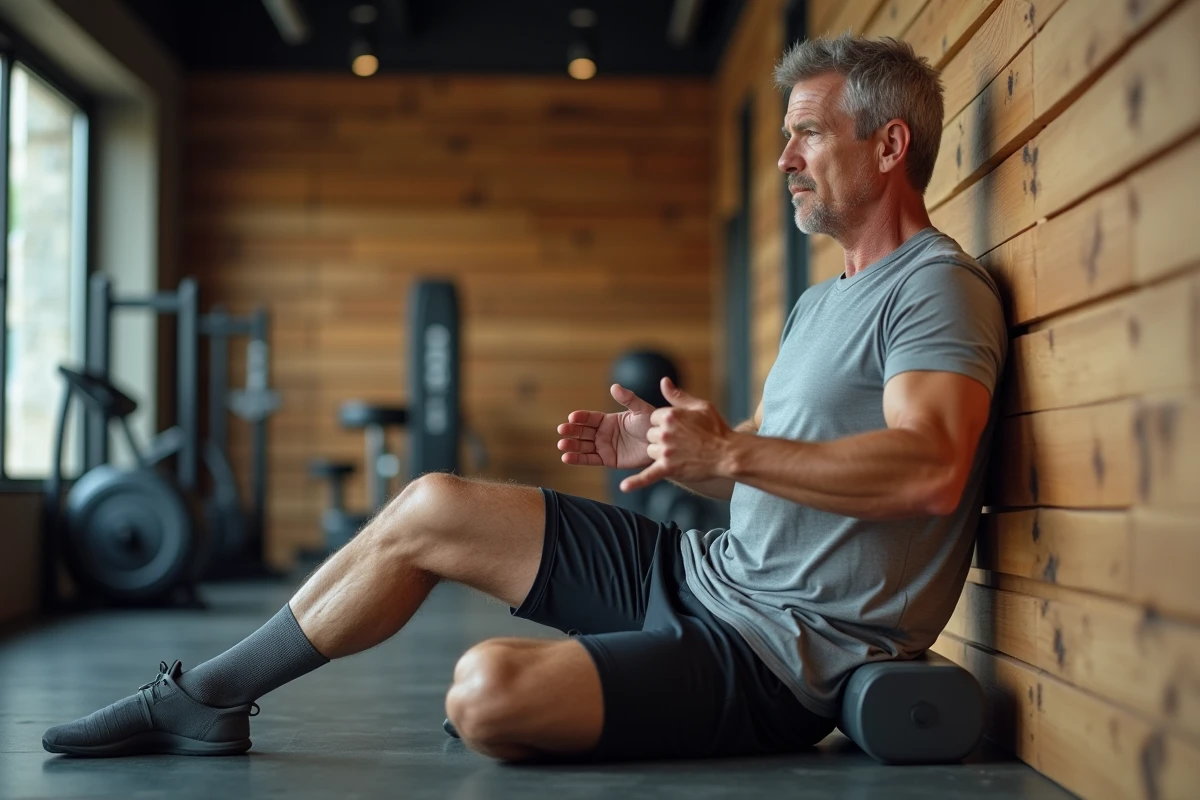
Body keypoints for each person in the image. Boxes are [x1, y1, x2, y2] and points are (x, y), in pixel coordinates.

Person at [42, 33, 1007, 762]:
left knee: (486, 693)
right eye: (786, 137)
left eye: (808, 134)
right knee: (431, 505)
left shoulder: (935, 288)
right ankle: (204, 698)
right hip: (701, 573)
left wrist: (731, 450)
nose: (786, 158)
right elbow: (769, 469)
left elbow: (930, 468)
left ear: (889, 144)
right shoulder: (821, 301)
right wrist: (667, 450)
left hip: (777, 657)